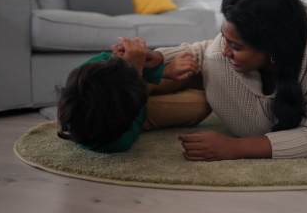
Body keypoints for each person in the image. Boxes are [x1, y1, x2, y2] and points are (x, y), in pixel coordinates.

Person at [144, 0, 307, 161]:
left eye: (236, 47)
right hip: (243, 83)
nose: (225, 51)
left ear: (273, 47)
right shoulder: (233, 40)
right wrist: (160, 56)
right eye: (224, 38)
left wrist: (234, 147)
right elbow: (207, 50)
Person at [56, 37, 211, 153]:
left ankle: (145, 75)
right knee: (202, 104)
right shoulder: (117, 141)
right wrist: (135, 68)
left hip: (126, 89)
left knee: (186, 71)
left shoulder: (83, 76)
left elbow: (109, 66)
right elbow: (130, 102)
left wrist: (126, 63)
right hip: (135, 108)